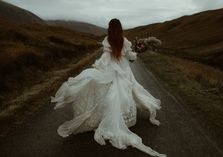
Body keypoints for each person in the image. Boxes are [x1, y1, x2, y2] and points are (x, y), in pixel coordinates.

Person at [51, 18, 166, 157]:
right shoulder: (125, 41)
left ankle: (106, 118)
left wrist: (98, 67)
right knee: (123, 95)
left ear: (110, 29)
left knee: (110, 95)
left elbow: (105, 57)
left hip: (111, 71)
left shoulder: (108, 40)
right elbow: (131, 57)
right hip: (123, 72)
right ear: (120, 28)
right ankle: (123, 119)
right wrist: (135, 54)